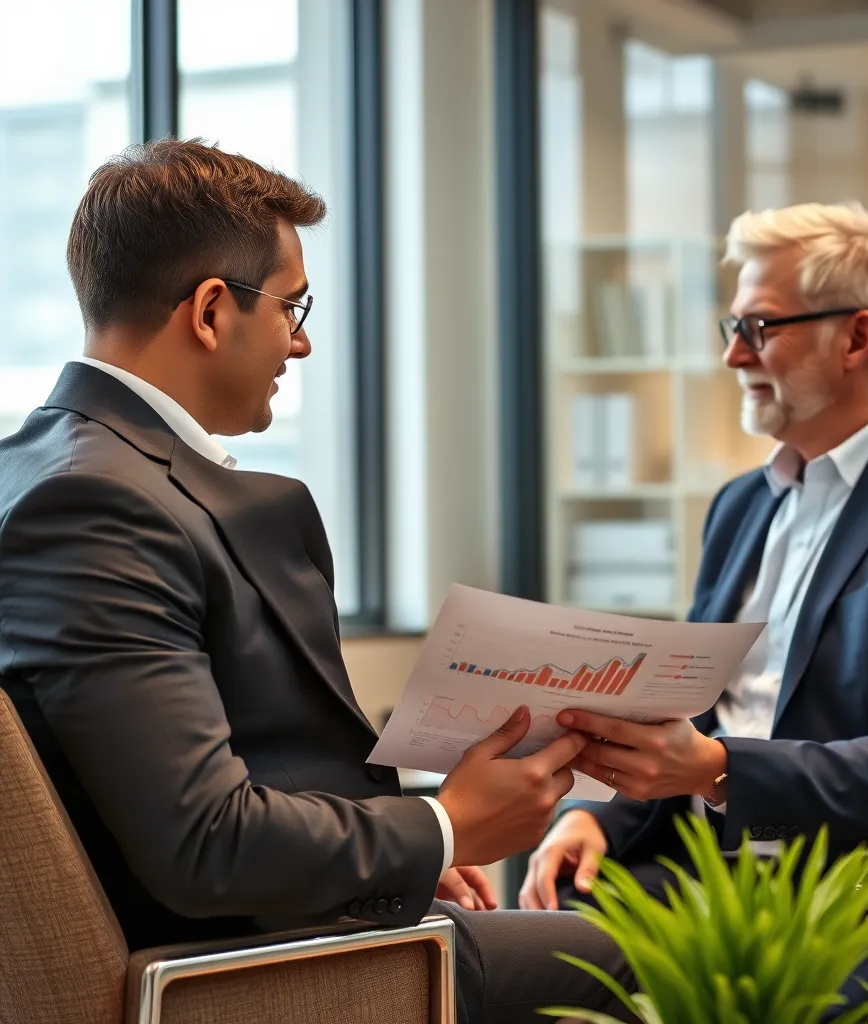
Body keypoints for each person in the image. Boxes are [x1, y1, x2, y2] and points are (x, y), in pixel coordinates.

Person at [0, 140, 634, 1024]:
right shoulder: (97, 506)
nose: (301, 341)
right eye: (293, 306)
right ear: (212, 311)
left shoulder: (50, 473)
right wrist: (445, 825)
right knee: (649, 956)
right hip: (240, 967)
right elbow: (201, 842)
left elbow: (228, 759)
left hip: (277, 924)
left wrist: (402, 852)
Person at [520, 201, 868, 1009]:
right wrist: (601, 822)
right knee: (499, 960)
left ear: (857, 337)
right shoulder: (740, 505)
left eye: (758, 328)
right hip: (717, 877)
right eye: (733, 325)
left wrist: (718, 770)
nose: (730, 355)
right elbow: (699, 707)